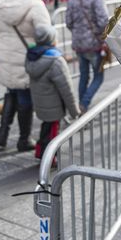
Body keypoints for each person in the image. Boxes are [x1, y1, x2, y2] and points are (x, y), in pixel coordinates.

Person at [0, 0, 50, 151]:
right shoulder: (35, 4)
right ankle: (24, 139)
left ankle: (2, 134)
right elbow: (45, 34)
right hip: (26, 58)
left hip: (5, 56)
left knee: (11, 92)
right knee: (24, 97)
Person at [26, 24, 81, 159]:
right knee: (53, 134)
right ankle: (49, 158)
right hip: (55, 106)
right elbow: (66, 89)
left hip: (41, 103)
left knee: (46, 128)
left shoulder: (31, 56)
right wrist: (75, 111)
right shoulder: (55, 60)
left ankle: (40, 151)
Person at [65, 0, 109, 111]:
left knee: (84, 75)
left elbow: (68, 21)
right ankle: (84, 103)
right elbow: (103, 21)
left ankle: (80, 107)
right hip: (94, 44)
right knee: (99, 76)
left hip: (79, 44)